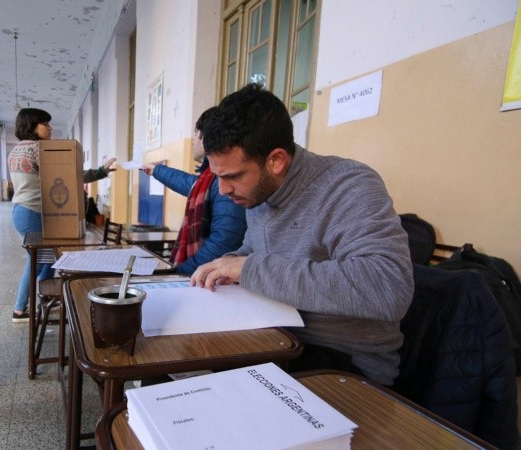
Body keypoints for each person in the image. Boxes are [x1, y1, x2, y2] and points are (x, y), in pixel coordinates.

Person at [190, 84, 413, 385]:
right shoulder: (258, 191)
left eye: (233, 176)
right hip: (274, 339)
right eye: (217, 177)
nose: (223, 190)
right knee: (168, 371)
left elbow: (388, 287)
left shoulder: (349, 185)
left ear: (276, 161)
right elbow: (251, 251)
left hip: (344, 364)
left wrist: (249, 268)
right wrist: (229, 263)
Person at [8, 108, 116, 322]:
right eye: (45, 124)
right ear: (32, 126)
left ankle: (46, 299)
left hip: (23, 211)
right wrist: (101, 171)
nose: (50, 128)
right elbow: (70, 176)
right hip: (33, 213)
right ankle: (19, 310)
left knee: (48, 259)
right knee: (37, 262)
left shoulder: (17, 150)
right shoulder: (39, 150)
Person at [140, 108, 246, 274]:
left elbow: (223, 243)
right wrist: (156, 170)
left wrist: (179, 272)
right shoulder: (207, 179)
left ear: (208, 138)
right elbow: (187, 182)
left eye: (196, 134)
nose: (193, 141)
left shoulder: (222, 180)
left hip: (213, 279)